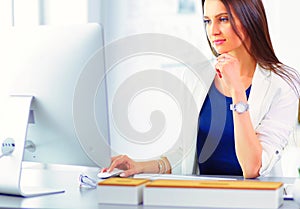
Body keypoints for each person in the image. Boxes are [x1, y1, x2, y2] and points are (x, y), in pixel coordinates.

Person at [102, 0, 300, 178]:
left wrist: (237, 92)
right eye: (207, 21)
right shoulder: (196, 76)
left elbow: (253, 167)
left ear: (250, 18)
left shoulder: (283, 84)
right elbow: (184, 155)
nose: (213, 31)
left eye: (223, 19)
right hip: (201, 196)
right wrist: (139, 166)